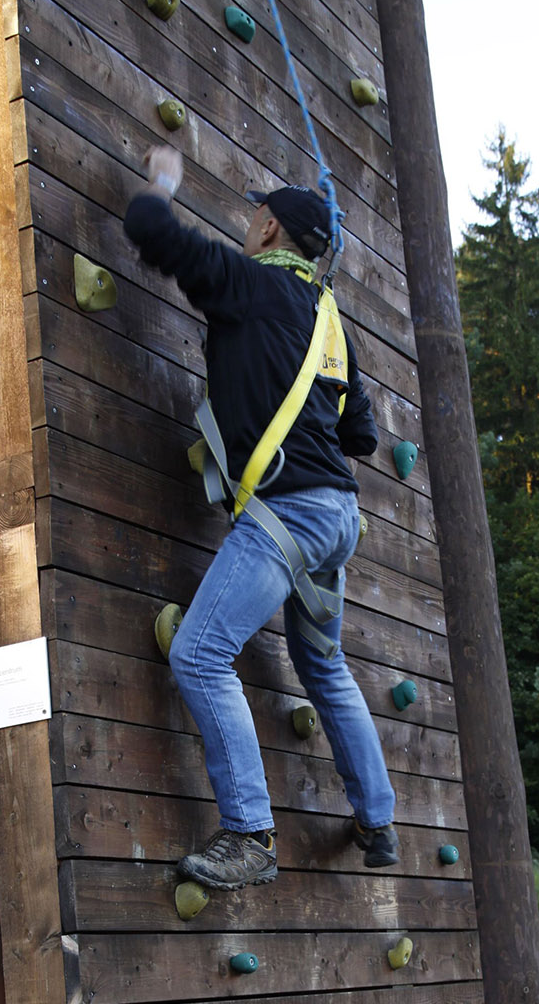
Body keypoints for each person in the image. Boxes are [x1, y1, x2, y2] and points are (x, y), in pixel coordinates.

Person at [124, 145, 398, 890]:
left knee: (199, 654)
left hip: (289, 515)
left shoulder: (248, 287)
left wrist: (163, 183)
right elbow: (360, 437)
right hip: (337, 520)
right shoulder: (330, 322)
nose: (247, 224)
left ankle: (248, 834)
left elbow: (154, 232)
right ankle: (377, 818)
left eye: (254, 215)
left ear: (270, 228)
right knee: (324, 665)